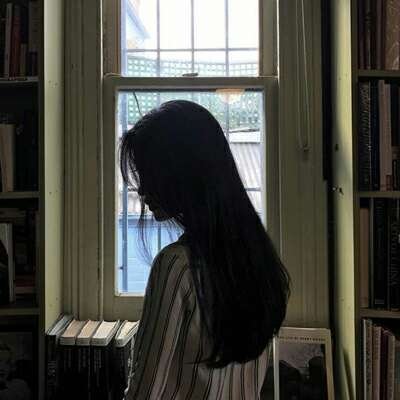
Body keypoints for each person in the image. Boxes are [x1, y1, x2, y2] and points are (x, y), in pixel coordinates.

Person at [120, 100, 290, 399]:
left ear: (182, 175)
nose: (142, 189)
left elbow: (145, 392)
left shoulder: (177, 266)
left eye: (149, 174)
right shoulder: (256, 256)